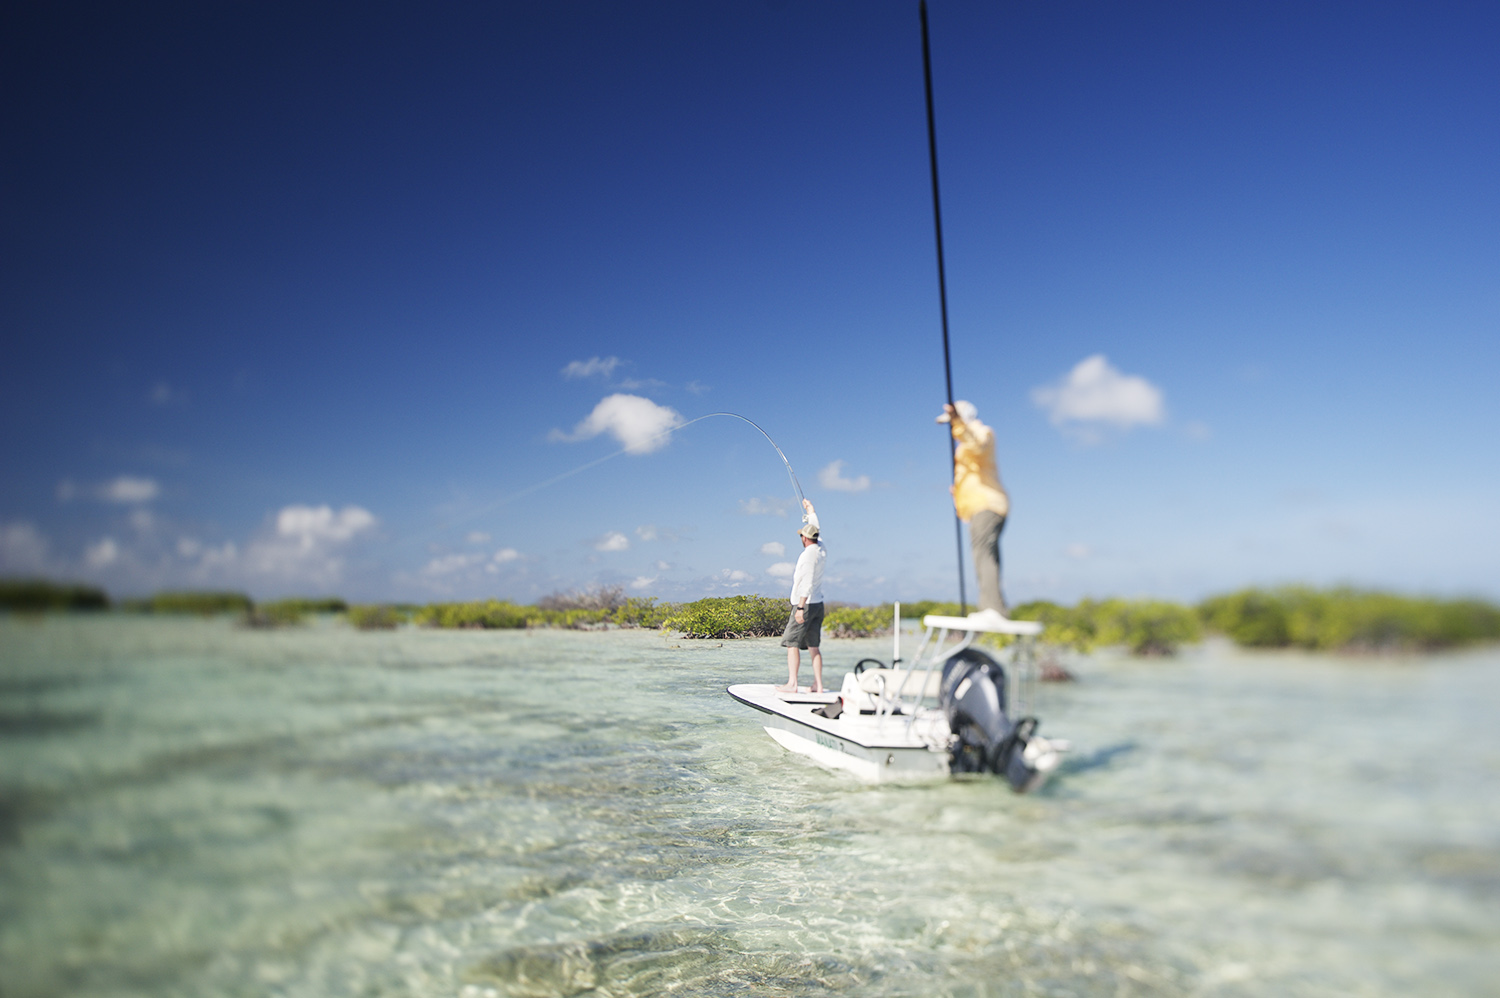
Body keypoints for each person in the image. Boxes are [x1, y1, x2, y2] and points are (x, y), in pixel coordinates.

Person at [937, 400, 1010, 620]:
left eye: (952, 422)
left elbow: (977, 446)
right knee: (986, 556)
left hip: (987, 504)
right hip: (980, 507)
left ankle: (992, 610)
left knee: (982, 554)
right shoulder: (965, 442)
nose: (951, 428)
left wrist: (958, 424)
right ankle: (996, 609)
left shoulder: (981, 432)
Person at [776, 498, 826, 693]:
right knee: (813, 645)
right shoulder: (822, 548)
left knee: (792, 643)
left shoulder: (807, 556)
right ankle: (818, 685)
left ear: (805, 539)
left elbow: (807, 582)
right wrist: (811, 510)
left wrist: (800, 608)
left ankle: (793, 684)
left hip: (805, 604)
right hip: (819, 604)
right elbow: (817, 528)